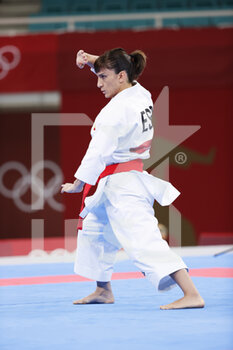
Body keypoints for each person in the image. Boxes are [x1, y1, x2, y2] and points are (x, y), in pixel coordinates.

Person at [61, 48, 205, 310]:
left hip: (122, 184)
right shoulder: (140, 93)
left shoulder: (116, 111)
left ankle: (191, 293)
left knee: (143, 239)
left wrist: (79, 183)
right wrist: (92, 60)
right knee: (95, 231)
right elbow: (120, 70)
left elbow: (97, 152)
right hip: (119, 180)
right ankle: (102, 290)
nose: (98, 83)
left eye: (103, 77)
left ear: (121, 76)